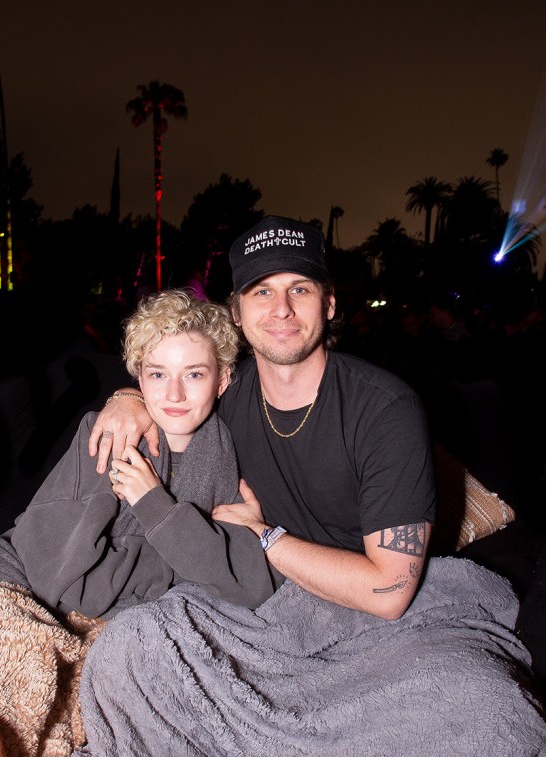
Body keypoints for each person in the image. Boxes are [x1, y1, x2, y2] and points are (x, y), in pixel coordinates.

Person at [88, 216, 436, 620]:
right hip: (257, 593)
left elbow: (387, 593)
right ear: (236, 310)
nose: (281, 310)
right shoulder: (226, 390)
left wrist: (266, 536)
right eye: (262, 291)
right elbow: (168, 377)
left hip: (356, 608)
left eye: (299, 289)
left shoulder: (386, 411)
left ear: (330, 302)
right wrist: (126, 396)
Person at [10, 289, 278, 618]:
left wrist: (154, 506)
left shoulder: (230, 454)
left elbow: (252, 585)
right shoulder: (109, 435)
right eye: (158, 374)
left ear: (221, 381)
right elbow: (61, 580)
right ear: (140, 379)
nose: (174, 394)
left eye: (194, 374)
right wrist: (188, 557)